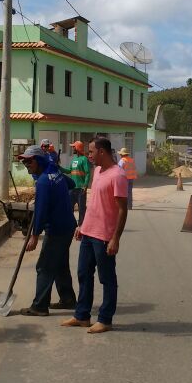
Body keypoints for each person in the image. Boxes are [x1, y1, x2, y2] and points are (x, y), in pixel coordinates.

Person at [62, 136, 128, 334]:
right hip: (89, 233)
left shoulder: (118, 175)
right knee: (83, 273)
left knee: (107, 278)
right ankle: (82, 315)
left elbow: (123, 210)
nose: (89, 156)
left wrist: (115, 238)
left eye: (91, 152)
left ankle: (105, 319)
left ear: (102, 152)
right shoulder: (97, 171)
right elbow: (93, 203)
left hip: (105, 236)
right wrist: (82, 225)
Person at [18, 145, 77, 316]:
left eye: (29, 161)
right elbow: (71, 183)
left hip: (57, 229)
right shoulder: (55, 172)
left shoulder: (44, 182)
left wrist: (34, 236)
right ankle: (68, 299)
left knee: (44, 267)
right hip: (67, 226)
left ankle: (40, 306)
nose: (26, 164)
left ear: (39, 160)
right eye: (24, 161)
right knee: (60, 265)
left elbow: (41, 211)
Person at [61, 140, 91, 221]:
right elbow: (69, 171)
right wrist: (59, 168)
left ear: (77, 148)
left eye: (73, 147)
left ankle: (81, 226)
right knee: (69, 208)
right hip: (72, 188)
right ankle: (71, 225)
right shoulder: (74, 159)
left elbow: (88, 173)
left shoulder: (84, 159)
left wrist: (85, 185)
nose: (72, 148)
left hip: (81, 189)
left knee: (81, 209)